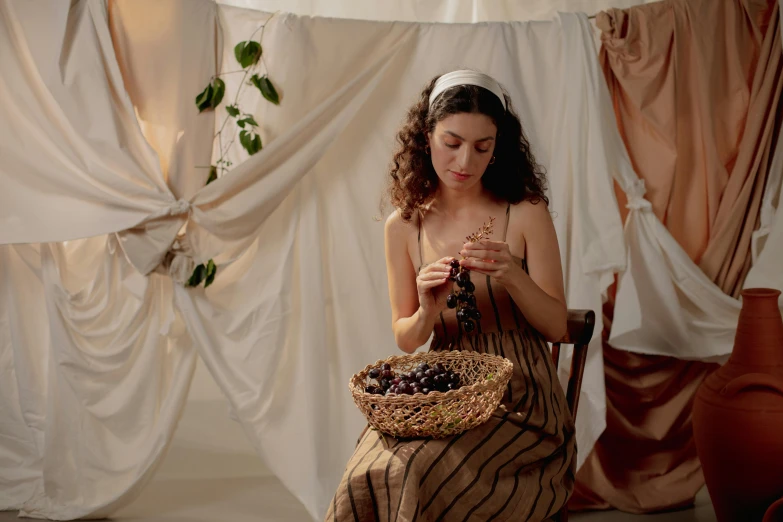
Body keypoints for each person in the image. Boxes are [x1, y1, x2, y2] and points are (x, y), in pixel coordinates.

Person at [326, 69, 576, 522]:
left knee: (419, 470)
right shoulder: (404, 225)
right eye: (452, 142)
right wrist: (427, 309)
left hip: (521, 396)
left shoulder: (524, 212)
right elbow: (407, 339)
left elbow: (557, 326)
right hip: (442, 387)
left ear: (498, 147)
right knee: (368, 471)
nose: (465, 160)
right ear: (426, 137)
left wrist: (513, 277)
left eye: (483, 147)